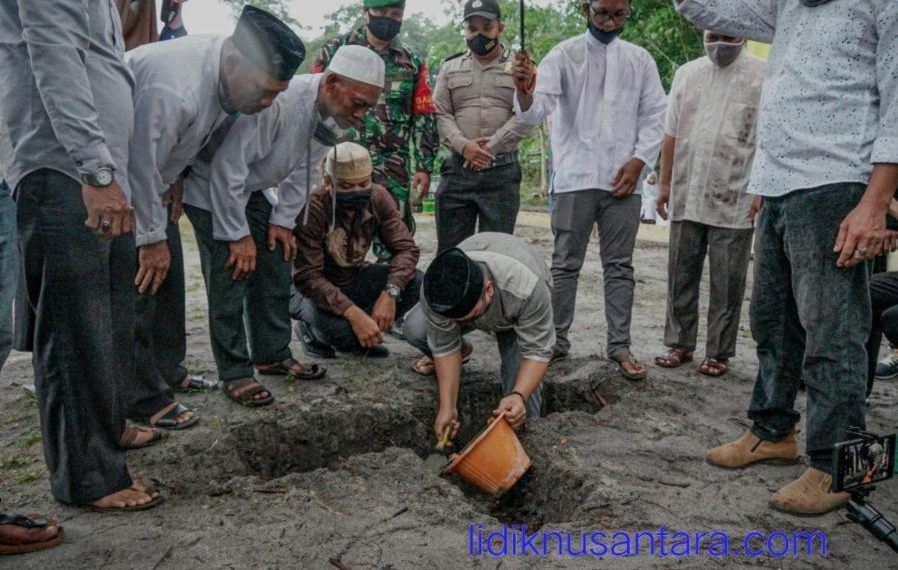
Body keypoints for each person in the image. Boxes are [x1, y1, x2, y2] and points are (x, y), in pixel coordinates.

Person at [676, 0, 898, 516]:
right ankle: (773, 431)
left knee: (833, 331)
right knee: (772, 321)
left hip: (836, 182)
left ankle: (836, 463)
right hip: (776, 185)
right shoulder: (788, 8)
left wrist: (873, 203)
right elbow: (706, 9)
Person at [1, 0, 162, 511]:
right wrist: (95, 170)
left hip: (96, 171)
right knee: (75, 331)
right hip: (63, 167)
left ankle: (106, 431)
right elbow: (54, 55)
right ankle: (88, 476)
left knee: (108, 322)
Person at [182, 46, 384, 404]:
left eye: (368, 106)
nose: (362, 114)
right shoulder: (281, 102)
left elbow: (305, 169)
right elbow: (228, 168)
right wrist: (237, 234)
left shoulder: (333, 114)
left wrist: (282, 221)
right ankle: (235, 371)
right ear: (332, 83)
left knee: (277, 257)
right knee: (231, 272)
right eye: (359, 103)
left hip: (254, 187)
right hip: (212, 185)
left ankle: (272, 354)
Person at [128, 5, 305, 412]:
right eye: (263, 90)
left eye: (276, 95)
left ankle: (168, 373)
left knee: (168, 282)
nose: (266, 104)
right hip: (113, 183)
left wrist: (174, 178)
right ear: (233, 60)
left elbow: (177, 143)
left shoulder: (222, 73)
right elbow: (138, 161)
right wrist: (151, 237)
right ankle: (140, 398)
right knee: (139, 284)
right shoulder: (176, 87)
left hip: (156, 181)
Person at [511, 0, 667, 379]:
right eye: (602, 13)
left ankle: (620, 346)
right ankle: (555, 342)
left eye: (619, 14)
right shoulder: (565, 54)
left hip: (623, 181)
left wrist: (639, 161)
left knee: (619, 266)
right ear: (586, 8)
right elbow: (534, 113)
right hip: (575, 177)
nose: (610, 22)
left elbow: (655, 115)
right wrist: (525, 90)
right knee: (565, 265)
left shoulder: (640, 59)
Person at [654, 30, 764, 378]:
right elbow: (670, 133)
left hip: (736, 196)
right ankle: (680, 343)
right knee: (680, 272)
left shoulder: (762, 75)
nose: (718, 42)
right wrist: (665, 182)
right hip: (688, 189)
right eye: (712, 34)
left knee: (727, 280)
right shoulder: (688, 73)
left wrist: (761, 190)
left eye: (726, 34)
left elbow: (768, 138)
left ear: (743, 33)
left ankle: (718, 352)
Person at [403, 233, 555, 442]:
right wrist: (448, 407)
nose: (463, 324)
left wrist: (518, 395)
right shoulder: (436, 289)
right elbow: (444, 348)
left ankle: (526, 443)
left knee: (518, 390)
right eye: (456, 321)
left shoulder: (527, 287)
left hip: (516, 316)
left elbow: (538, 352)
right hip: (479, 298)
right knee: (415, 328)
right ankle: (463, 349)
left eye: (469, 317)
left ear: (488, 289)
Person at [311, 0, 438, 243]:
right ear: (365, 12)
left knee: (394, 237)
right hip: (340, 159)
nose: (387, 19)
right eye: (380, 12)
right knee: (335, 236)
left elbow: (424, 114)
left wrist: (424, 165)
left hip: (392, 164)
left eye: (394, 13)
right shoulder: (335, 50)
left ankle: (393, 281)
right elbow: (313, 101)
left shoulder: (412, 61)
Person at [293, 142, 421, 358]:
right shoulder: (312, 207)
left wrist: (390, 292)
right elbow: (308, 276)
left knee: (417, 281)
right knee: (341, 336)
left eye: (362, 183)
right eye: (345, 186)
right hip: (311, 290)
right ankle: (310, 330)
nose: (356, 191)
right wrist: (355, 315)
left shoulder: (378, 196)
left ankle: (364, 332)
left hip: (353, 276)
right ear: (327, 182)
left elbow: (406, 250)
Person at [432, 0, 533, 252]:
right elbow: (440, 112)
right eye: (472, 28)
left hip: (502, 174)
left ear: (500, 27)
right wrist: (464, 146)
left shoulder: (521, 68)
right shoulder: (450, 67)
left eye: (486, 27)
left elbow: (527, 114)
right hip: (457, 172)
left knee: (496, 254)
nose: (479, 35)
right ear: (464, 30)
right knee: (451, 253)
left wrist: (491, 146)